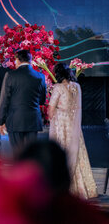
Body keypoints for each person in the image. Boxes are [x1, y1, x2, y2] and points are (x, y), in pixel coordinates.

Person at [48, 63, 98, 199]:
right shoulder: (77, 87)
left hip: (61, 126)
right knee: (77, 152)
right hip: (74, 126)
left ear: (58, 74)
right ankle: (82, 189)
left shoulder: (58, 88)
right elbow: (78, 107)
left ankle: (63, 188)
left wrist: (51, 114)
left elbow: (51, 109)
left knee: (61, 152)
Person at [0, 50, 46, 152]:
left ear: (18, 60)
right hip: (33, 120)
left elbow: (4, 100)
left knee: (17, 154)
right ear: (30, 61)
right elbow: (42, 100)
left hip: (15, 120)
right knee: (31, 155)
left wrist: (1, 122)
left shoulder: (10, 75)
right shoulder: (40, 76)